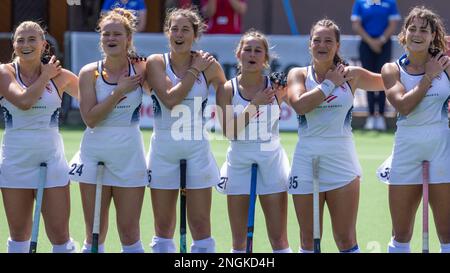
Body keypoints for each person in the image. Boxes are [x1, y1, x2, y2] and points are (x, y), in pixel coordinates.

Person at [286, 19, 385, 253]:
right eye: (317, 40)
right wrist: (329, 84)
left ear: (338, 46)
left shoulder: (352, 75)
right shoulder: (298, 75)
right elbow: (300, 106)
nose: (322, 45)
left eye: (328, 40)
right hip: (305, 160)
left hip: (342, 160)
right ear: (309, 45)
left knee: (345, 238)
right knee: (308, 239)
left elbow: (388, 82)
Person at [145, 7, 225, 253]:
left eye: (185, 29)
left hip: (196, 150)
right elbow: (170, 100)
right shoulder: (157, 62)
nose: (179, 34)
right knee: (164, 226)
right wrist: (194, 70)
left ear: (195, 35)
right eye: (174, 29)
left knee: (201, 225)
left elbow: (226, 92)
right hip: (163, 151)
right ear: (167, 32)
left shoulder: (209, 66)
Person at [69, 8, 149, 253]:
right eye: (106, 34)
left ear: (128, 39)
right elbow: (91, 119)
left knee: (129, 232)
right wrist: (118, 92)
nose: (111, 39)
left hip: (129, 154)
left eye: (117, 34)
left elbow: (164, 96)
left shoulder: (142, 69)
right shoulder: (88, 73)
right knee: (94, 233)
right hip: (95, 154)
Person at [0, 21, 79, 253]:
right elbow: (24, 102)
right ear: (14, 46)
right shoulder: (5, 73)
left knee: (60, 236)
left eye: (32, 39)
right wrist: (45, 76)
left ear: (44, 45)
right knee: (19, 236)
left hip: (51, 162)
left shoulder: (61, 76)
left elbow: (92, 98)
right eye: (20, 40)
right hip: (15, 163)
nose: (26, 44)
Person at [377, 6, 450, 253]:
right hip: (406, 151)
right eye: (412, 28)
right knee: (401, 233)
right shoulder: (391, 69)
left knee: (447, 234)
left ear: (433, 36)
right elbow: (404, 106)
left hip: (441, 149)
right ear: (404, 33)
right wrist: (428, 78)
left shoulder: (446, 65)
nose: (417, 34)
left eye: (424, 30)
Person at [215, 30, 291, 253]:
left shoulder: (278, 88)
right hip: (238, 163)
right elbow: (230, 132)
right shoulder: (226, 90)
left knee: (278, 240)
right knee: (239, 242)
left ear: (265, 58)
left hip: (271, 162)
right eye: (247, 49)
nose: (252, 54)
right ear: (238, 54)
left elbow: (303, 103)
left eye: (258, 50)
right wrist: (255, 104)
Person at [351, 0, 401, 131]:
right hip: (366, 45)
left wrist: (381, 40)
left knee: (384, 78)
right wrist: (371, 42)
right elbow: (356, 25)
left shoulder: (390, 3)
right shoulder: (360, 3)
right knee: (367, 78)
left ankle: (382, 116)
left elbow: (393, 24)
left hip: (384, 44)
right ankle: (371, 115)